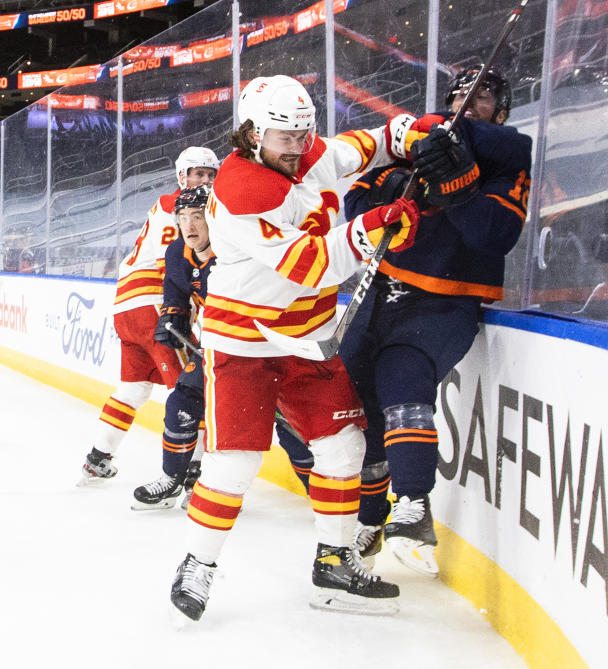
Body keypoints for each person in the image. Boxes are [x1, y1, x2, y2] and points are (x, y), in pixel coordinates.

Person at [169, 74, 434, 621]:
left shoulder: (308, 151)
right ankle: (198, 562)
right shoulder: (240, 193)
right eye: (283, 137)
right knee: (235, 463)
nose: (296, 147)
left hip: (308, 339)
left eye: (303, 134)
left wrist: (410, 135)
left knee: (344, 448)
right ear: (250, 134)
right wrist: (369, 231)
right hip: (243, 342)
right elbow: (311, 266)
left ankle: (334, 564)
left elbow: (364, 146)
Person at [340, 65, 532, 575]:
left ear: (503, 110)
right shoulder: (419, 139)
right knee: (351, 404)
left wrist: (456, 182)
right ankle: (369, 515)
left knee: (404, 377)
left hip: (447, 301)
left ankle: (413, 504)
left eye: (485, 95)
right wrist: (409, 180)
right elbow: (355, 200)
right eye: (463, 93)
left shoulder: (509, 159)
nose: (471, 99)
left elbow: (493, 234)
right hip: (381, 291)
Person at [132, 185, 317, 511]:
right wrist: (172, 314)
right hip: (223, 346)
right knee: (182, 402)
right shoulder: (177, 253)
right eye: (183, 217)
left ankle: (324, 496)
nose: (189, 226)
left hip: (269, 346)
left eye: (198, 216)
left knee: (289, 423)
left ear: (214, 218)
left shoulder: (239, 247)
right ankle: (172, 477)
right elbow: (175, 288)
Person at [79, 147, 220, 484]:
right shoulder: (179, 206)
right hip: (152, 304)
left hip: (126, 307)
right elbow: (173, 265)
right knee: (190, 390)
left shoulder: (173, 204)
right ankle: (193, 474)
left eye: (210, 175)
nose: (204, 180)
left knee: (133, 388)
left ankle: (98, 458)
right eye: (197, 174)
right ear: (181, 176)